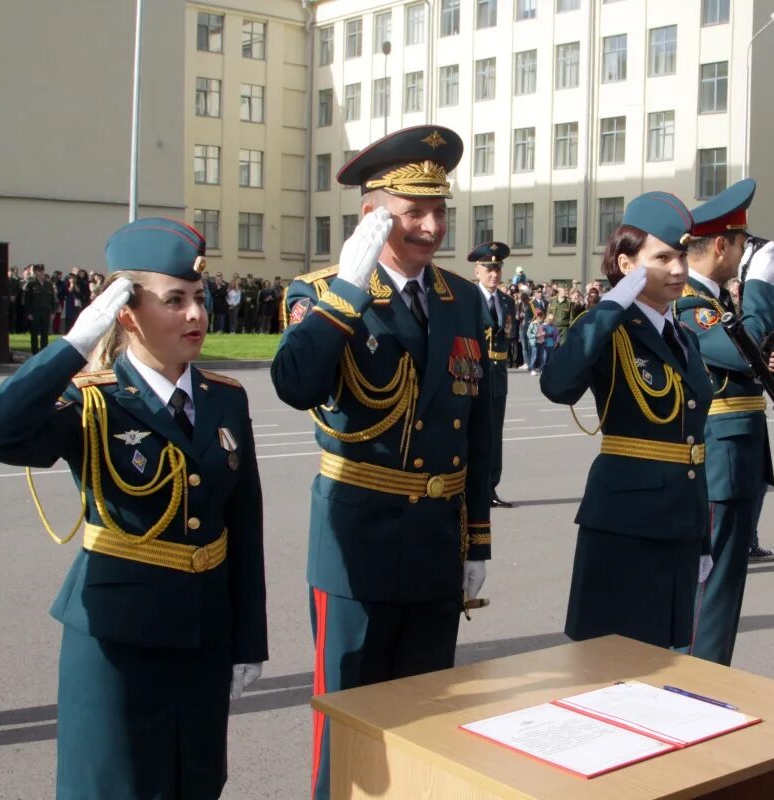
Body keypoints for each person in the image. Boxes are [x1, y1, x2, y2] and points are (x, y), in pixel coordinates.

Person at [0, 218, 268, 799]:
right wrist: (73, 345)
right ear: (127, 313)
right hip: (117, 645)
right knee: (113, 788)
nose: (195, 316)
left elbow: (244, 526)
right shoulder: (91, 399)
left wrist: (246, 640)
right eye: (174, 300)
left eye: (200, 299)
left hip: (204, 640)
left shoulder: (224, 400)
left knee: (197, 782)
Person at [271, 126, 492, 800]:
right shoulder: (321, 293)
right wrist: (348, 284)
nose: (431, 228)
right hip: (356, 541)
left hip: (433, 543)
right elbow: (297, 383)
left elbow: (479, 427)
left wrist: (475, 533)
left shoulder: (464, 300)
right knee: (350, 721)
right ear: (374, 216)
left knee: (426, 720)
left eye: (440, 211)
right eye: (412, 213)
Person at [540, 191, 713, 650]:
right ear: (625, 263)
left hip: (680, 519)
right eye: (662, 258)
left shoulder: (684, 337)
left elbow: (693, 438)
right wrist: (609, 308)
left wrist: (703, 535)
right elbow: (558, 385)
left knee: (665, 661)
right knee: (612, 665)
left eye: (681, 256)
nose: (678, 270)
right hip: (625, 523)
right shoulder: (607, 327)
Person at [676, 179, 774, 665]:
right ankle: (694, 687)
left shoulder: (713, 302)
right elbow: (750, 347)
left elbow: (747, 355)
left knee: (723, 584)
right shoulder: (688, 303)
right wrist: (762, 285)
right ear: (721, 245)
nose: (745, 254)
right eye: (743, 245)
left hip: (734, 458)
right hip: (719, 461)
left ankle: (705, 679)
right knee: (711, 589)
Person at [472, 241, 516, 508]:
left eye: (497, 268)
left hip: (498, 374)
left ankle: (490, 487)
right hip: (474, 372)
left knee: (495, 432)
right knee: (474, 430)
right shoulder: (469, 298)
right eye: (488, 268)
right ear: (477, 270)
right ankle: (472, 487)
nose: (494, 274)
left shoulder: (506, 301)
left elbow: (507, 335)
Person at [23, 264, 56, 354]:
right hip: (35, 312)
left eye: (42, 271)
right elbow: (27, 300)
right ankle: (34, 352)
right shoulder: (31, 284)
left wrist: (53, 312)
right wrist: (29, 313)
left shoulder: (48, 284)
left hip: (46, 311)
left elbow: (52, 298)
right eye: (39, 271)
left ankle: (43, 352)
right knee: (34, 334)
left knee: (45, 333)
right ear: (35, 272)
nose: (41, 273)